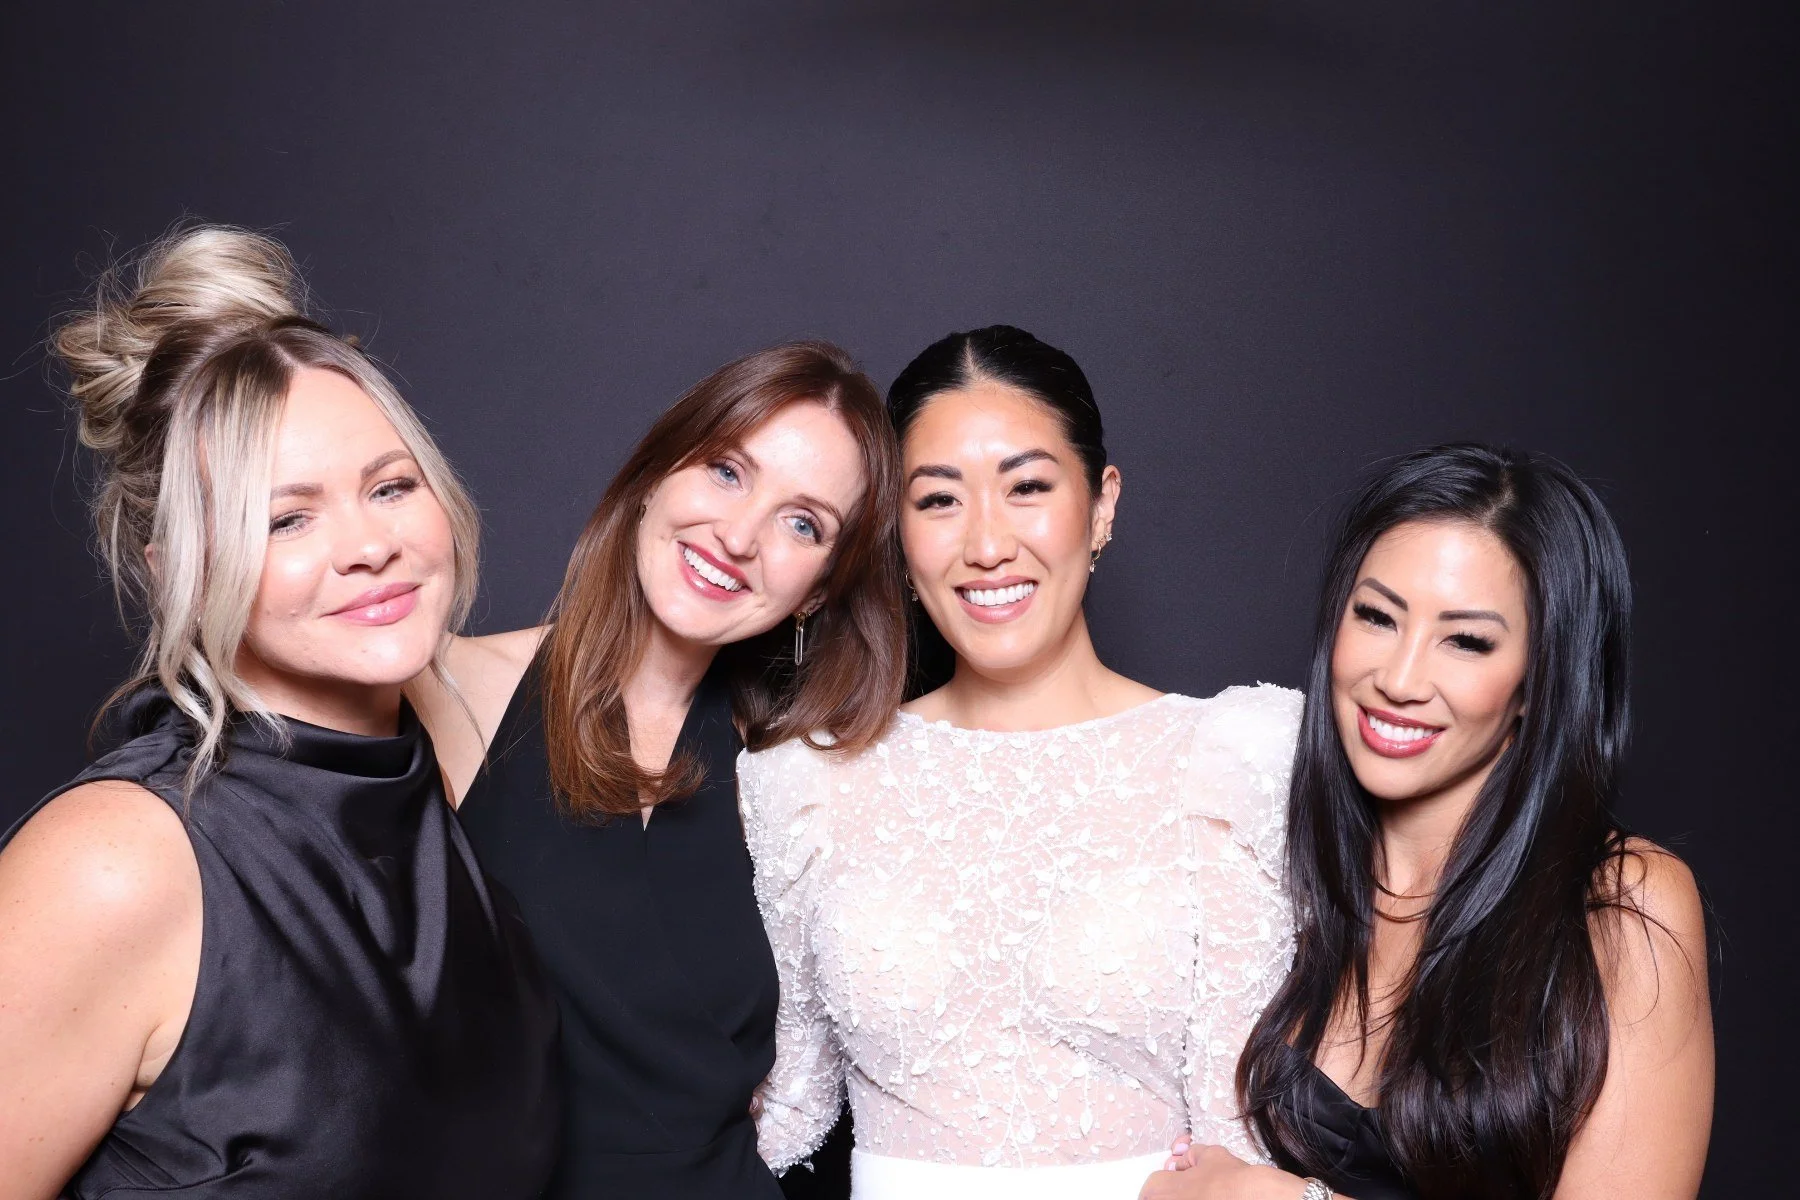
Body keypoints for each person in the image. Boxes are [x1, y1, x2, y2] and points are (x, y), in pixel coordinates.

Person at [0, 226, 559, 1200]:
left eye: (390, 487)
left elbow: (637, 644)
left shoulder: (456, 752)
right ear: (177, 568)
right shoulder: (114, 863)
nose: (368, 545)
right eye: (285, 517)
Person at [740, 325, 1303, 1200]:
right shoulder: (805, 778)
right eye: (938, 501)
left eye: (1028, 487)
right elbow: (791, 1106)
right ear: (896, 531)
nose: (988, 544)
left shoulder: (1232, 758)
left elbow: (1240, 1139)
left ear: (1101, 503)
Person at [409, 341, 907, 1200]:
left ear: (821, 589)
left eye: (803, 523)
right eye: (725, 471)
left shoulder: (797, 779)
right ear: (654, 473)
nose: (740, 535)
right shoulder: (450, 690)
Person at [1151, 444, 1713, 1200]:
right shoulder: (1281, 868)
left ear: (1537, 682)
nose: (1400, 679)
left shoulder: (1622, 905)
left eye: (1466, 640)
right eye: (1378, 617)